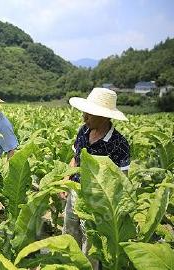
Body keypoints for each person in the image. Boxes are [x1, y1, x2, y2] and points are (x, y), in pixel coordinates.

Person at [63, 87, 130, 268]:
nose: (85, 117)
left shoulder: (120, 144)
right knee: (70, 233)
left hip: (97, 202)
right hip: (75, 192)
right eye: (85, 112)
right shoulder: (83, 131)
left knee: (91, 243)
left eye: (90, 114)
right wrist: (66, 182)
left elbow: (122, 179)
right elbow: (74, 159)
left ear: (106, 116)